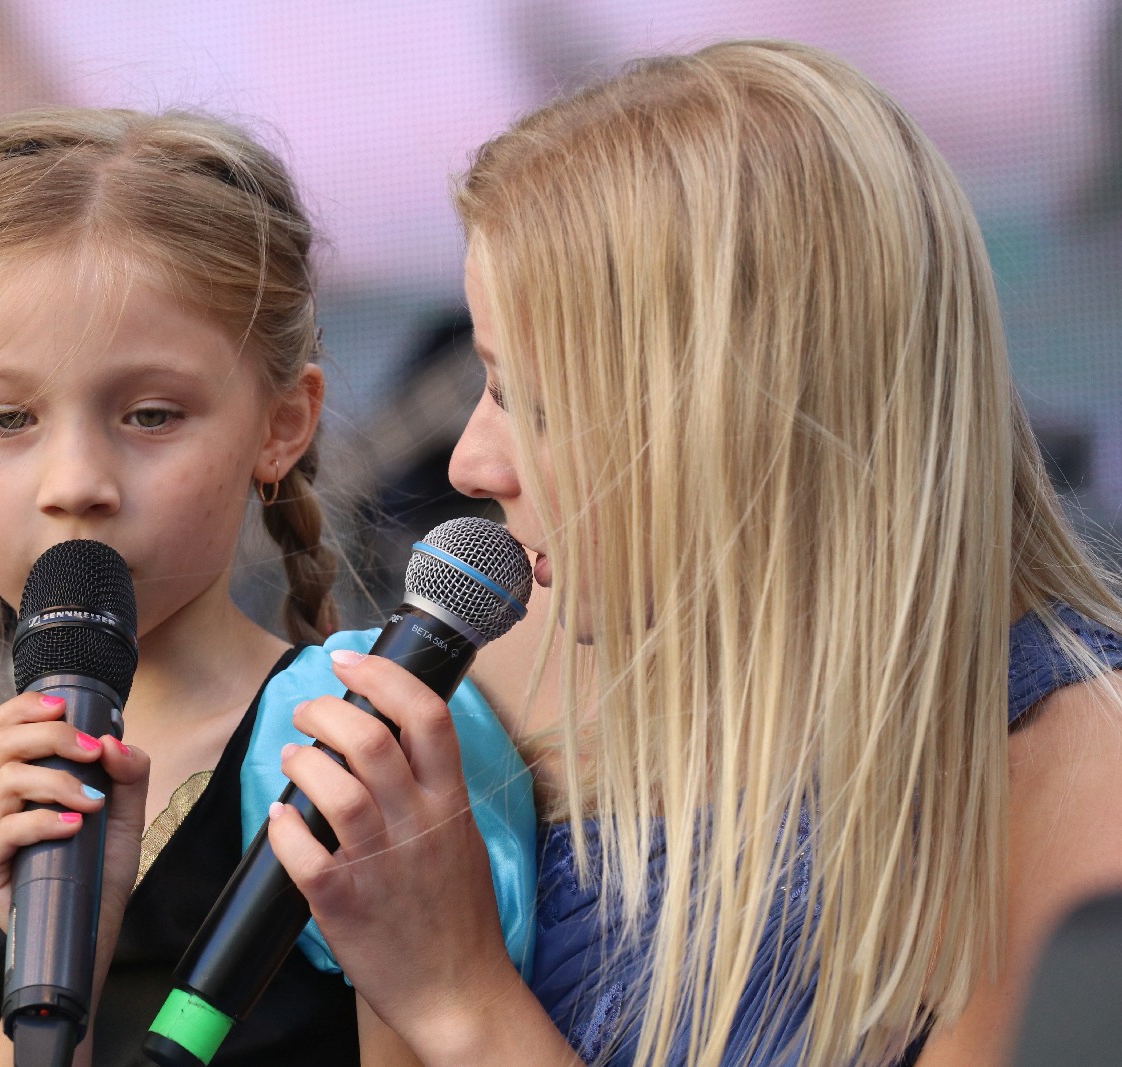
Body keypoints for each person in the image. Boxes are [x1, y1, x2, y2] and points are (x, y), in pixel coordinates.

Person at [263, 39, 1122, 1067]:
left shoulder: (1077, 781)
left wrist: (460, 997)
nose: (470, 461)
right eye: (485, 381)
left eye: (536, 401)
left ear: (748, 417)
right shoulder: (499, 683)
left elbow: (457, 1005)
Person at [0, 106, 537, 1067]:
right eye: (8, 418)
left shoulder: (370, 744)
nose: (76, 482)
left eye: (149, 414)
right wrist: (50, 979)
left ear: (282, 423)